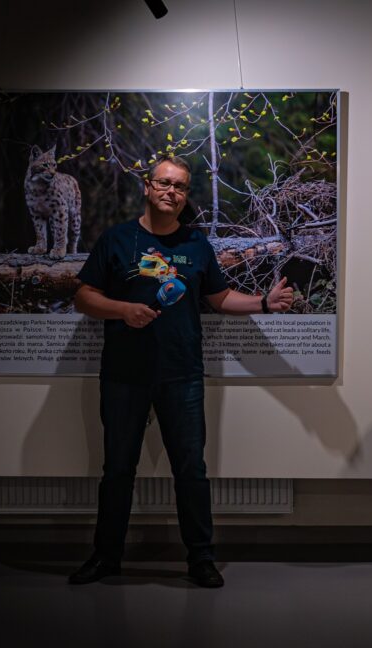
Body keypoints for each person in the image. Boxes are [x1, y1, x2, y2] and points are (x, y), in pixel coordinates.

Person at [69, 155, 293, 587]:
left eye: (180, 187)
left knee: (191, 471)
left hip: (182, 374)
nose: (172, 192)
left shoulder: (196, 244)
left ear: (185, 195)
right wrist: (123, 310)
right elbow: (83, 297)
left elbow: (219, 298)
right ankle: (106, 557)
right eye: (164, 183)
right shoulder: (117, 239)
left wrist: (264, 303)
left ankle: (201, 559)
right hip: (124, 374)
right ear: (147, 187)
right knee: (118, 470)